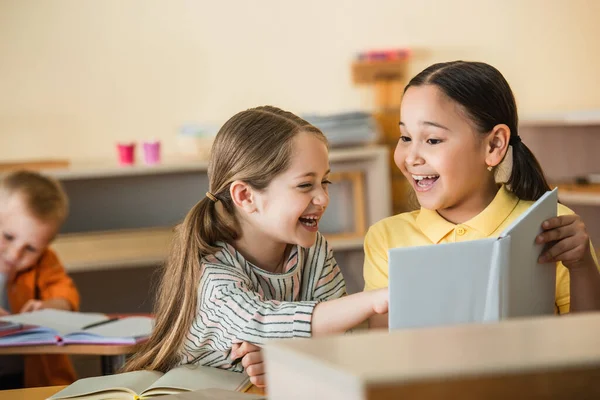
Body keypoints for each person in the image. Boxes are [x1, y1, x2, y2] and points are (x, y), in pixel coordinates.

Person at [125, 106, 389, 386]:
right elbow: (261, 323)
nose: (323, 198)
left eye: (325, 181)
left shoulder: (312, 251)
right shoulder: (211, 273)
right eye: (305, 185)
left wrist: (283, 358)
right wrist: (372, 300)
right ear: (245, 196)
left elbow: (337, 340)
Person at [363, 61, 600, 329]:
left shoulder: (552, 227)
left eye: (432, 140)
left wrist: (581, 267)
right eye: (405, 137)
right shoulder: (386, 239)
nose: (411, 157)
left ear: (494, 145)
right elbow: (385, 350)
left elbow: (587, 345)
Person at [0, 170, 80, 388]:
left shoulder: (45, 261)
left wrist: (48, 306)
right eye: (8, 237)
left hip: (31, 378)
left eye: (31, 248)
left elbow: (65, 295)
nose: (15, 255)